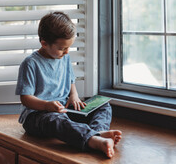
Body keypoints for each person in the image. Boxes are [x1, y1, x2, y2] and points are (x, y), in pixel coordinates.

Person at [15, 11, 121, 158]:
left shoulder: (64, 58)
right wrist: (46, 105)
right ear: (44, 43)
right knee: (56, 121)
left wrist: (74, 95)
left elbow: (70, 81)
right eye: (62, 48)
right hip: (38, 116)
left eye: (68, 47)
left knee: (103, 105)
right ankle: (93, 140)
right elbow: (25, 98)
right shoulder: (30, 64)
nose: (66, 52)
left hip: (64, 108)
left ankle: (97, 132)